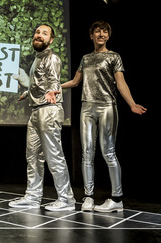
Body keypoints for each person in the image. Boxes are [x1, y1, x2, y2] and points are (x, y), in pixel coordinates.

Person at [61, 20, 147, 212]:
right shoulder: (85, 58)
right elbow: (75, 82)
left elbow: (121, 82)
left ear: (108, 35)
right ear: (91, 36)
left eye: (105, 32)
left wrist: (132, 104)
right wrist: (55, 87)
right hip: (86, 107)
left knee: (108, 152)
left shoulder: (114, 57)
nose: (101, 34)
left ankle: (116, 198)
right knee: (87, 153)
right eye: (97, 32)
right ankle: (88, 197)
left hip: (107, 106)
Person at [9, 24, 76, 211]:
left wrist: (53, 91)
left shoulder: (52, 57)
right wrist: (28, 92)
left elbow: (54, 79)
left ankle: (66, 199)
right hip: (36, 111)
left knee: (54, 156)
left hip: (49, 110)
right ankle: (32, 196)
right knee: (32, 157)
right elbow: (39, 82)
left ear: (51, 40)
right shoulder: (37, 59)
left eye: (44, 34)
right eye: (37, 32)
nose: (39, 35)